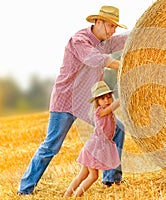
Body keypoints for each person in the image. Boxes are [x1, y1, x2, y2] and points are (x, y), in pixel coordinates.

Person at [17, 5, 127, 195]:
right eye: (110, 26)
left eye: (115, 27)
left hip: (88, 103)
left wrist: (148, 30)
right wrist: (126, 67)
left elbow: (125, 40)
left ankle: (111, 179)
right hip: (66, 101)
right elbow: (97, 59)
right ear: (98, 22)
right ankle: (25, 189)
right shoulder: (79, 40)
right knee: (51, 145)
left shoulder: (105, 41)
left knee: (117, 130)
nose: (113, 31)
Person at [64, 81, 121, 197]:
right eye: (103, 98)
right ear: (97, 101)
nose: (107, 100)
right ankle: (76, 196)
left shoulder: (109, 112)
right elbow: (112, 107)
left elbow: (113, 108)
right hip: (94, 148)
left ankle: (67, 195)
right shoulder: (100, 111)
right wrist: (124, 96)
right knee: (93, 176)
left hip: (97, 147)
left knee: (83, 174)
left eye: (109, 97)